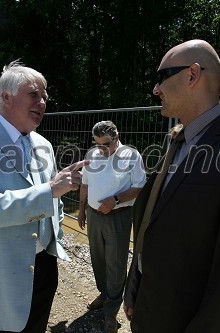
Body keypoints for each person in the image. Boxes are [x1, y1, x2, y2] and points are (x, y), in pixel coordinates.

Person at [123, 39, 220, 333]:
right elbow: (151, 222)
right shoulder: (176, 140)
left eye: (161, 77)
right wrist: (136, 286)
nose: (156, 89)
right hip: (151, 309)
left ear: (192, 75)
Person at [0, 60, 88, 333]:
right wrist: (51, 190)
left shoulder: (42, 144)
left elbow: (52, 203)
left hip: (42, 273)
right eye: (34, 94)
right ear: (6, 97)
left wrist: (53, 241)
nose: (43, 102)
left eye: (45, 96)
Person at [77, 121, 146, 333]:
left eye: (106, 144)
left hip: (118, 216)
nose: (102, 149)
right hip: (95, 216)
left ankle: (111, 311)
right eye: (98, 144)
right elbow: (86, 183)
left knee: (115, 263)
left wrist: (115, 200)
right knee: (97, 258)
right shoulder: (93, 154)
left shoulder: (132, 156)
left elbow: (139, 187)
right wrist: (81, 209)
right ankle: (104, 293)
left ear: (117, 137)